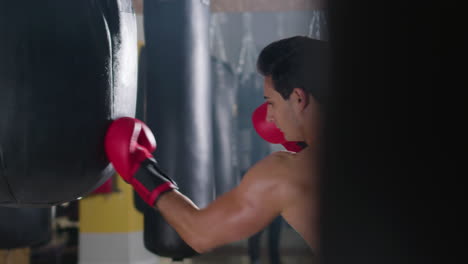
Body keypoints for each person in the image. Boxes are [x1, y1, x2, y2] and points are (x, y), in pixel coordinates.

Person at [105, 36, 328, 255]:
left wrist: (140, 168)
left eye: (271, 102)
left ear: (299, 98)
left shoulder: (286, 173)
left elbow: (200, 233)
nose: (269, 116)